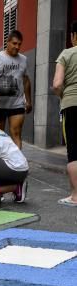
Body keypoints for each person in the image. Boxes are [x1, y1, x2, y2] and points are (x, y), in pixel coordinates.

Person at [0, 30, 32, 149]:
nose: (17, 47)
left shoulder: (23, 59)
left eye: (19, 44)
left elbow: (26, 81)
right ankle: (1, 163)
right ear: (8, 42)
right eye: (14, 43)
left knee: (16, 133)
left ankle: (17, 165)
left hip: (17, 104)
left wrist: (29, 101)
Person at [53, 20, 77, 206]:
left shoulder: (66, 54)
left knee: (74, 151)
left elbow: (57, 84)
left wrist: (62, 95)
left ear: (72, 36)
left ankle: (75, 196)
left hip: (72, 104)